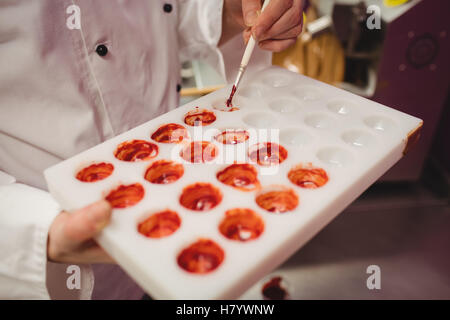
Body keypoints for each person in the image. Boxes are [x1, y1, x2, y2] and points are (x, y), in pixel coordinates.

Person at [0, 0, 304, 299]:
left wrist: (227, 13)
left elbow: (169, 12)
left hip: (171, 216)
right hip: (47, 246)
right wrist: (37, 230)